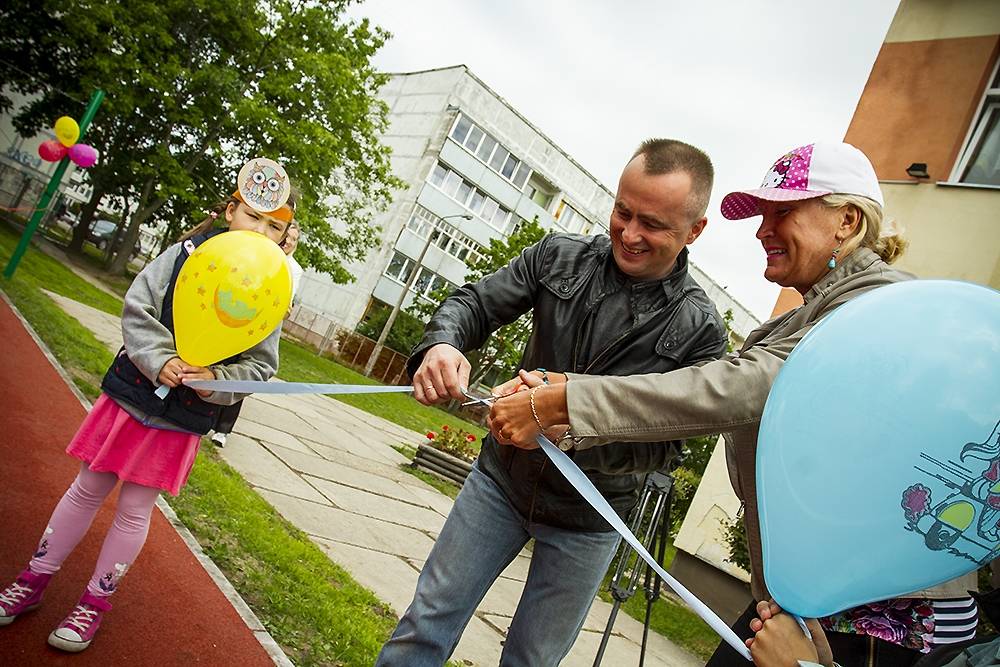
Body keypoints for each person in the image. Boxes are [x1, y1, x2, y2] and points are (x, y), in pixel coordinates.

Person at [488, 142, 979, 666]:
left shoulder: (877, 308)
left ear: (847, 221)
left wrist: (568, 400)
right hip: (821, 594)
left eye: (784, 213)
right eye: (763, 215)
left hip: (892, 615)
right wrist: (574, 418)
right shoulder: (806, 318)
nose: (762, 230)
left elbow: (746, 387)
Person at [376, 138, 728, 666]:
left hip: (591, 517)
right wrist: (443, 342)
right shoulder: (558, 256)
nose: (629, 234)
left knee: (532, 661)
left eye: (652, 224)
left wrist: (568, 427)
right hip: (501, 481)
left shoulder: (701, 331)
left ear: (695, 230)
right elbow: (473, 303)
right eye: (622, 211)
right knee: (426, 621)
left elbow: (668, 448)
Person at [0, 165, 295, 652]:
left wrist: (215, 383)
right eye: (252, 216)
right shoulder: (183, 256)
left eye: (274, 225)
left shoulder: (271, 290)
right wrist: (161, 360)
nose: (260, 231)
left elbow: (260, 367)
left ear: (286, 235)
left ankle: (94, 604)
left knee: (135, 510)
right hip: (131, 393)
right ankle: (33, 578)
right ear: (230, 212)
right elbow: (138, 306)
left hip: (180, 421)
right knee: (87, 488)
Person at [210, 219, 302, 447]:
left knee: (242, 372)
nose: (289, 242)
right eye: (287, 237)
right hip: (232, 314)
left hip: (259, 323)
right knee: (217, 365)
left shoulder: (292, 269)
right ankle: (209, 417)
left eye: (293, 239)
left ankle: (223, 429)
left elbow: (286, 301)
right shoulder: (253, 255)